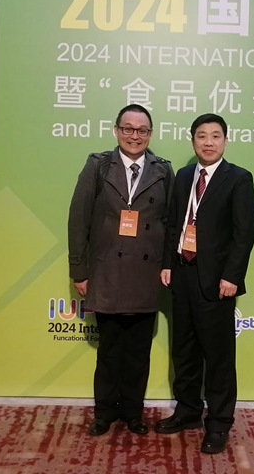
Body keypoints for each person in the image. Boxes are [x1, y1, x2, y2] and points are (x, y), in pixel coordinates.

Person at [67, 104, 174, 436]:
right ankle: (104, 412)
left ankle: (132, 412)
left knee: (139, 352)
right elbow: (78, 219)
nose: (134, 136)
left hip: (146, 274)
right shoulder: (98, 165)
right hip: (107, 272)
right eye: (128, 128)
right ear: (116, 130)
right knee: (110, 350)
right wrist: (79, 270)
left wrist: (168, 266)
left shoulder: (162, 170)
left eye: (142, 130)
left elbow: (170, 224)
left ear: (150, 134)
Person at [156, 113, 254, 454]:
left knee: (218, 357)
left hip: (216, 281)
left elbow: (244, 234)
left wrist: (232, 276)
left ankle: (219, 423)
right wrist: (167, 263)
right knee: (184, 350)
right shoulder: (185, 176)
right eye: (202, 136)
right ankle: (187, 411)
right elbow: (174, 223)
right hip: (182, 274)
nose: (209, 142)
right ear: (193, 140)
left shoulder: (239, 178)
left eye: (215, 135)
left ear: (226, 140)